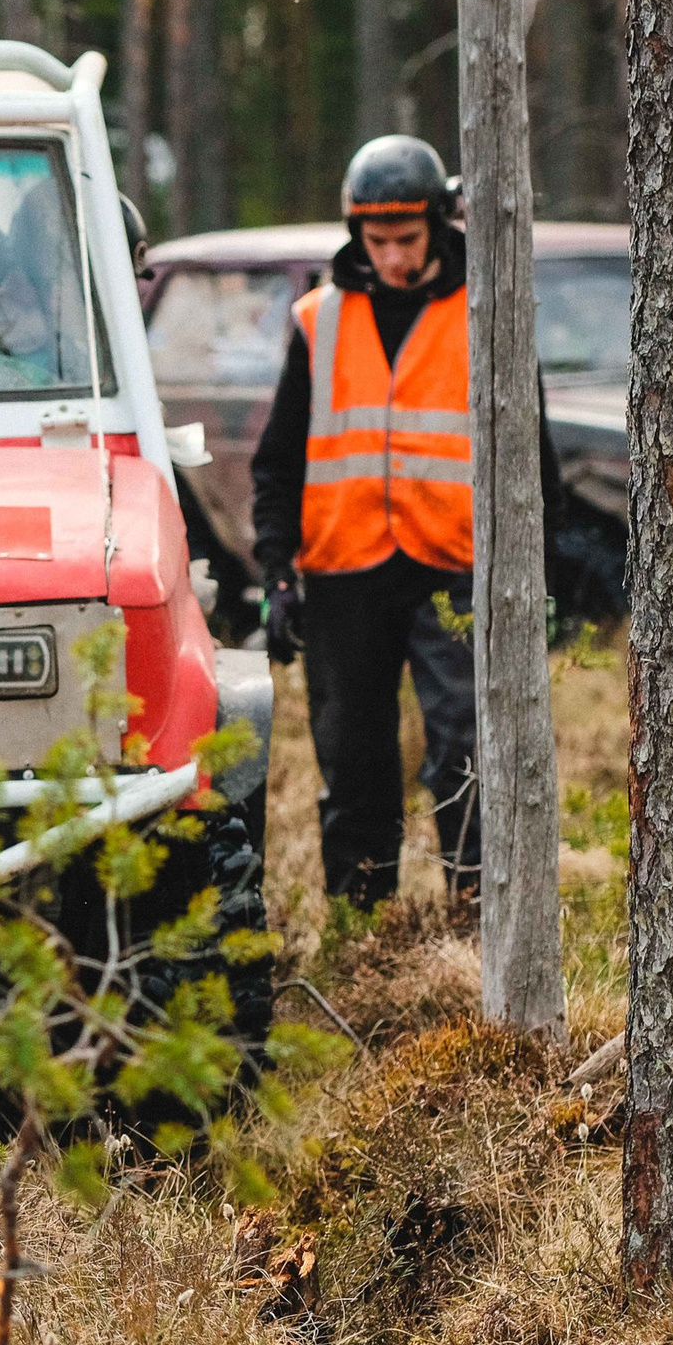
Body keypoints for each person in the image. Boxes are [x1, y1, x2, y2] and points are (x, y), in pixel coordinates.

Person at [250, 135, 560, 910]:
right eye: (376, 241)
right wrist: (277, 571)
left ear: (439, 223)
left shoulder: (488, 307)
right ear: (357, 231)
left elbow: (533, 459)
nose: (390, 257)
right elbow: (277, 463)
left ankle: (475, 911)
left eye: (406, 240)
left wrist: (538, 577)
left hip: (455, 566)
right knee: (352, 757)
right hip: (344, 573)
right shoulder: (318, 321)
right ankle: (364, 919)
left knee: (464, 745)